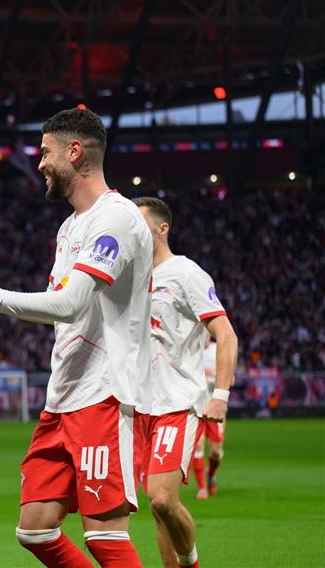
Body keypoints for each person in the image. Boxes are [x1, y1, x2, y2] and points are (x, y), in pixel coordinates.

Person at [0, 107, 152, 568]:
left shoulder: (117, 218)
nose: (39, 164)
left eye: (45, 152)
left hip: (105, 394)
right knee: (34, 529)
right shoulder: (69, 227)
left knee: (105, 537)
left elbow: (71, 303)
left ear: (75, 153)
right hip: (63, 400)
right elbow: (62, 308)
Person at [133, 197, 238, 568]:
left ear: (162, 228)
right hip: (137, 407)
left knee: (162, 498)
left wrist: (220, 396)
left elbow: (225, 334)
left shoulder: (186, 273)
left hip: (175, 403)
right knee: (157, 508)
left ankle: (191, 563)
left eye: (140, 223)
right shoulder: (131, 278)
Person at [192, 335, 227, 499]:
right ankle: (201, 487)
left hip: (214, 407)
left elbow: (230, 379)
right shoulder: (191, 350)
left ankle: (211, 473)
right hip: (196, 406)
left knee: (216, 452)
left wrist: (213, 376)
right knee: (198, 446)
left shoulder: (217, 350)